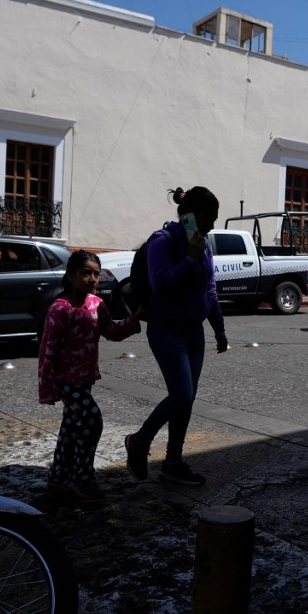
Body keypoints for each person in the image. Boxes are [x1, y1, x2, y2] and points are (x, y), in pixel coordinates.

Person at [124, 186, 229, 486]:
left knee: (187, 400)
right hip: (165, 329)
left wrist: (218, 328)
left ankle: (172, 462)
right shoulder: (162, 241)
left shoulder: (204, 244)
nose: (211, 226)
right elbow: (161, 285)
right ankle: (140, 441)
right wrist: (189, 260)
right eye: (209, 219)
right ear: (190, 216)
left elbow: (210, 288)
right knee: (181, 394)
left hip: (194, 332)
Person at [39, 250, 142, 499]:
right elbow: (47, 350)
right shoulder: (60, 309)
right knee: (91, 421)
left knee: (72, 428)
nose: (92, 279)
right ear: (72, 275)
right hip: (66, 381)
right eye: (86, 273)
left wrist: (133, 320)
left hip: (85, 380)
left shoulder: (97, 304)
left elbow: (111, 331)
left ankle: (59, 478)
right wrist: (48, 388)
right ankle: (82, 478)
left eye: (96, 274)